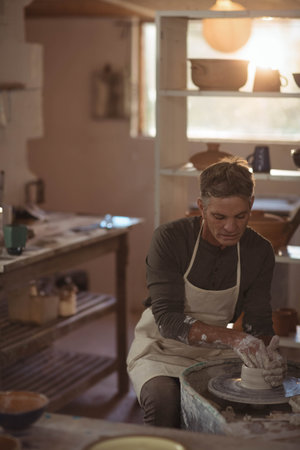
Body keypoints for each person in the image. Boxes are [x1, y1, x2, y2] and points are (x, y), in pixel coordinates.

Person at [127, 157, 286, 428]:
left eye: (241, 216)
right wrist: (236, 339)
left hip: (215, 353)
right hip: (161, 348)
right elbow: (168, 320)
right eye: (219, 217)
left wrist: (266, 355)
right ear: (201, 207)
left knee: (248, 410)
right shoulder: (170, 239)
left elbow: (257, 323)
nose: (231, 227)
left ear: (251, 205)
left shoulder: (258, 251)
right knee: (164, 403)